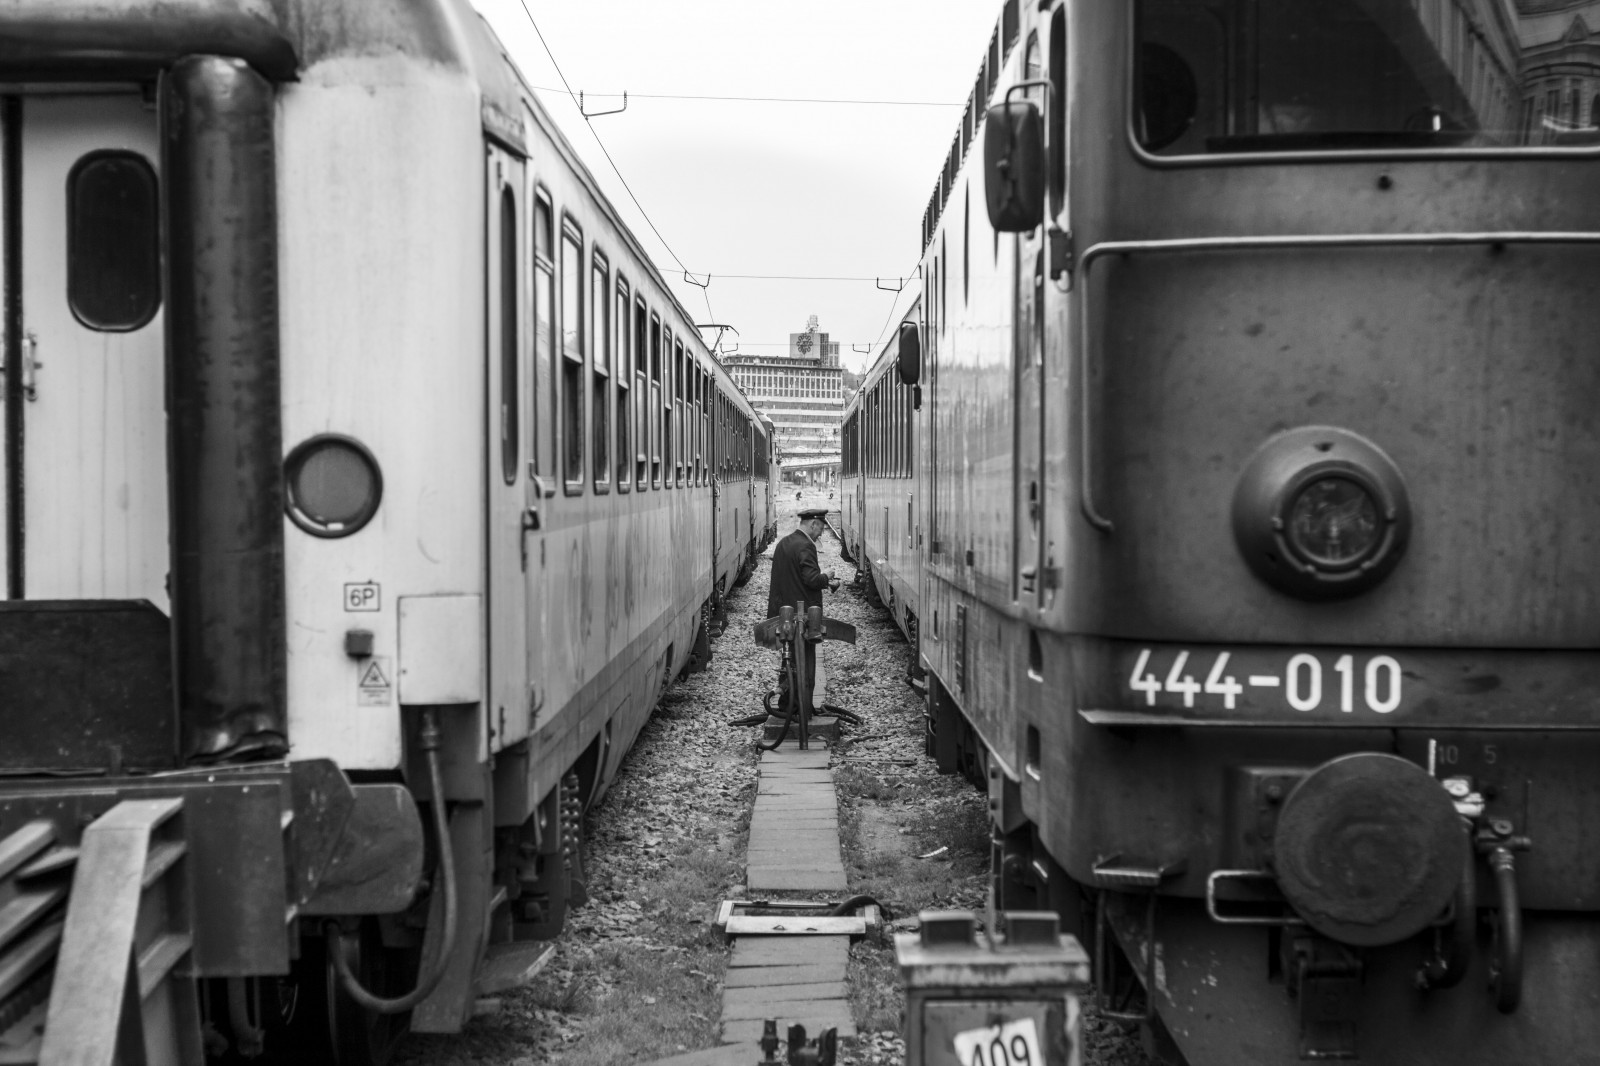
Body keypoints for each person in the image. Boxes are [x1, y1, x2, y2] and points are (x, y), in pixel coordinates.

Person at [766, 508, 839, 711]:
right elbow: (811, 580)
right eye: (820, 529)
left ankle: (787, 704)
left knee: (789, 660)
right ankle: (801, 707)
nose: (820, 534)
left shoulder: (784, 543)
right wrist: (827, 576)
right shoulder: (806, 546)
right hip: (803, 617)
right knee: (805, 662)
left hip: (783, 613)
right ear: (813, 524)